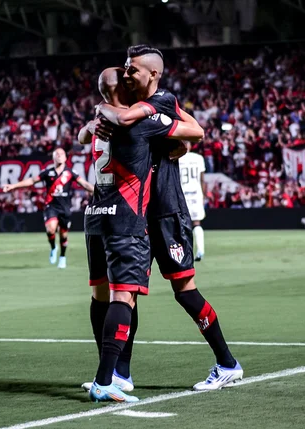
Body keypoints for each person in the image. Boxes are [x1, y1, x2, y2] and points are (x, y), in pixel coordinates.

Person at [95, 45, 243, 391]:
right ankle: (122, 373)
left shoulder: (161, 101)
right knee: (128, 293)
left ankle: (227, 363)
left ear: (153, 74)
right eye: (126, 69)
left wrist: (103, 113)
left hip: (167, 211)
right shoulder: (135, 106)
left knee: (185, 291)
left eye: (133, 69)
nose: (128, 74)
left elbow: (196, 131)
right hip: (139, 214)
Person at [78, 67, 205, 403]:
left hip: (95, 216)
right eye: (126, 75)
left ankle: (114, 373)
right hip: (126, 219)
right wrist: (175, 145)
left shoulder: (97, 125)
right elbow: (192, 134)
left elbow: (81, 134)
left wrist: (95, 118)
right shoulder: (136, 121)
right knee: (124, 298)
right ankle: (106, 379)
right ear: (123, 86)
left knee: (99, 296)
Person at [2, 148, 94, 268]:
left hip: (65, 208)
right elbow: (31, 180)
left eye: (62, 154)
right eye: (57, 154)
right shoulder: (47, 172)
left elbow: (85, 184)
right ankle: (53, 247)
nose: (60, 156)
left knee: (63, 236)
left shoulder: (70, 172)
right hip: (51, 206)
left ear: (66, 158)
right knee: (50, 229)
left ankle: (62, 257)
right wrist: (13, 186)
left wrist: (100, 191)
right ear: (53, 157)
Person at [178, 141, 207, 261]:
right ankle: (200, 250)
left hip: (182, 194)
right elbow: (202, 180)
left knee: (182, 225)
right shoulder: (198, 158)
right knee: (197, 223)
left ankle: (184, 252)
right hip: (196, 194)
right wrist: (203, 195)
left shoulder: (176, 158)